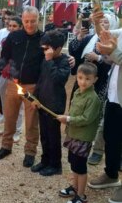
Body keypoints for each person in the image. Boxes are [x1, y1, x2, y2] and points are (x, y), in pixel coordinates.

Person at [0, 6, 75, 165]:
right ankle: (6, 145)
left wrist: (69, 58)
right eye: (26, 21)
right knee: (9, 117)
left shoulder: (44, 38)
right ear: (22, 20)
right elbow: (5, 56)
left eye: (33, 21)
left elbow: (56, 52)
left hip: (33, 86)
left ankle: (30, 151)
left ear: (38, 20)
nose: (29, 24)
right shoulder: (14, 36)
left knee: (31, 121)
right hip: (13, 83)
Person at [68, 12, 119, 165]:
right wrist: (78, 37)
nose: (103, 25)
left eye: (106, 23)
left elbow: (114, 60)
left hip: (100, 82)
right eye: (100, 22)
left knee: (96, 115)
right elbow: (73, 49)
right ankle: (76, 138)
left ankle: (96, 149)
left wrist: (98, 58)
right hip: (82, 81)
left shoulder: (114, 40)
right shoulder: (90, 38)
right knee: (78, 107)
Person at [87, 11, 122, 203]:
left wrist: (112, 52)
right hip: (115, 95)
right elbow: (106, 35)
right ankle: (111, 174)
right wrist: (96, 22)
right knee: (111, 136)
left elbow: (117, 55)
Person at [58, 62, 101, 203]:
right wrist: (68, 119)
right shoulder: (77, 92)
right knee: (73, 163)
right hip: (73, 134)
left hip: (83, 138)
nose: (83, 82)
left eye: (88, 79)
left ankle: (81, 196)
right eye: (81, 77)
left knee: (80, 167)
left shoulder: (93, 98)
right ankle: (75, 187)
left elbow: (86, 119)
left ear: (95, 79)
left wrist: (68, 119)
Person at [30, 30, 70, 176]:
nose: (45, 51)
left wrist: (50, 61)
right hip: (42, 103)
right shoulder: (45, 59)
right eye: (44, 48)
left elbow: (58, 79)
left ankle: (55, 164)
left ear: (58, 48)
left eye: (48, 48)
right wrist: (35, 98)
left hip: (55, 105)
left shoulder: (64, 62)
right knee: (44, 135)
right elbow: (41, 80)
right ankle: (45, 160)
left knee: (53, 136)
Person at [0, 16, 24, 143]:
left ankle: (17, 130)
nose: (12, 28)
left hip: (18, 76)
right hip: (5, 74)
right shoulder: (5, 38)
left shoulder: (25, 39)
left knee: (18, 105)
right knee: (5, 102)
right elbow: (2, 56)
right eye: (10, 26)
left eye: (15, 26)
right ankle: (8, 127)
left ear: (20, 27)